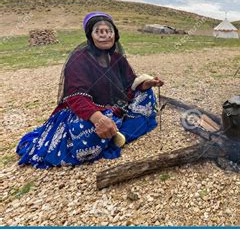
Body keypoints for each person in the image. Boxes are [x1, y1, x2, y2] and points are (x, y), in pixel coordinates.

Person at [16, 12, 164, 168]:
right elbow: (76, 97)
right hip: (87, 111)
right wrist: (99, 119)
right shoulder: (78, 60)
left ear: (115, 35)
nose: (105, 35)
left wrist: (146, 83)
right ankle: (115, 132)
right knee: (86, 131)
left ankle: (114, 133)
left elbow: (130, 83)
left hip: (115, 107)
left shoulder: (117, 58)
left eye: (109, 31)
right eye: (99, 31)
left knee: (146, 95)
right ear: (90, 35)